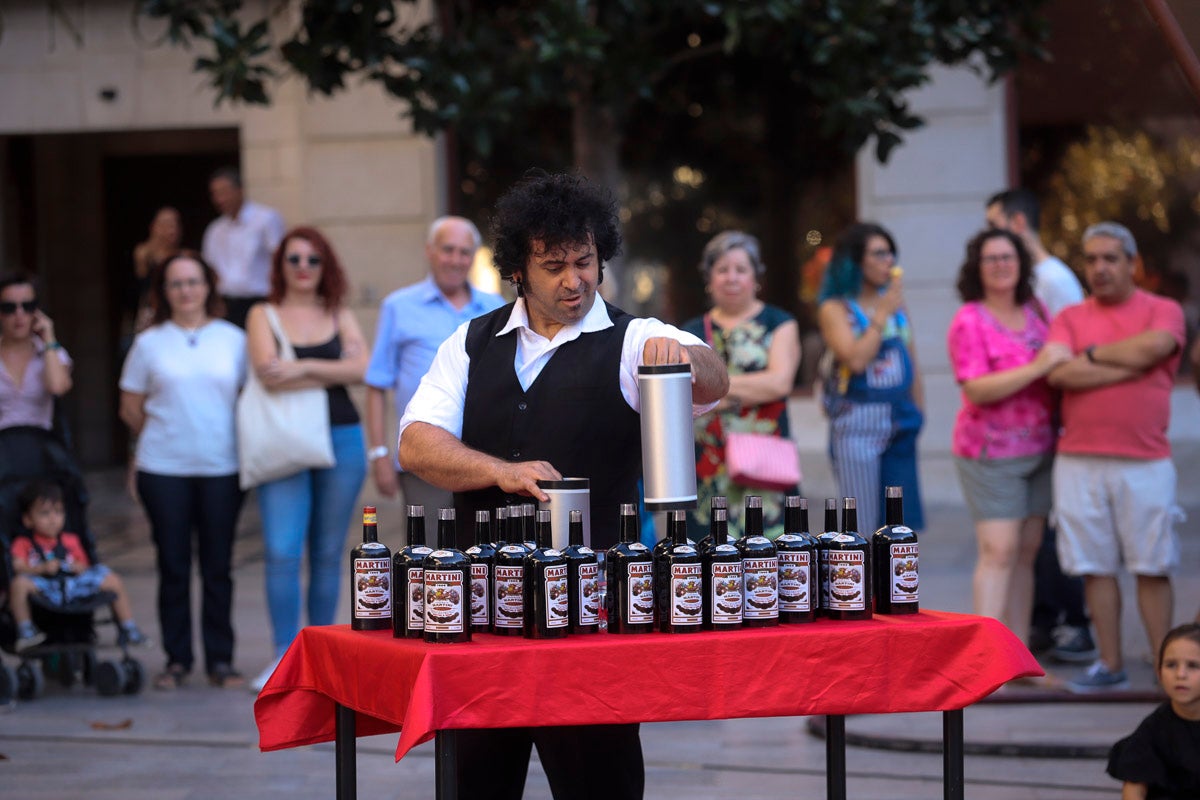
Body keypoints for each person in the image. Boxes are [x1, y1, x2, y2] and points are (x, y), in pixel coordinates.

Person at [398, 171, 729, 800]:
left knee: (597, 781)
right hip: (484, 613)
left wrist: (683, 357)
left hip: (592, 614)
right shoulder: (470, 341)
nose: (574, 280)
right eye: (554, 265)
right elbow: (415, 443)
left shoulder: (634, 338)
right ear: (518, 270)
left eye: (585, 261)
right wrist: (499, 470)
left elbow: (715, 382)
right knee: (477, 781)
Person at [1046, 222, 1186, 693]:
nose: (1099, 267)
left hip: (1145, 460)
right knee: (1094, 566)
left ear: (1132, 263)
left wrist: (1093, 356)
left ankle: (1169, 668)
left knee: (1153, 564)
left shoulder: (1162, 309)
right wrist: (1130, 365)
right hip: (1079, 461)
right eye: (1091, 259)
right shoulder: (1068, 316)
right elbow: (1061, 374)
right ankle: (1110, 664)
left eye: (1110, 258)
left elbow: (1158, 346)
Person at [244, 226, 369, 693]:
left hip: (343, 440)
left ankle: (320, 654)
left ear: (325, 267)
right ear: (280, 266)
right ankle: (282, 657)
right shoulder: (263, 313)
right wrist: (329, 370)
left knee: (325, 552)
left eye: (312, 260)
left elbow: (362, 368)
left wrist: (300, 366)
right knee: (281, 551)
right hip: (284, 441)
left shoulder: (339, 313)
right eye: (293, 259)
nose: (302, 267)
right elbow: (267, 374)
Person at [119, 251, 247, 690]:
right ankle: (177, 660)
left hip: (223, 467)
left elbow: (249, 401)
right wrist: (168, 431)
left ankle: (221, 661)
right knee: (173, 565)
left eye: (193, 281)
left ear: (208, 286)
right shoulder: (149, 342)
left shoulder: (234, 339)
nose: (186, 290)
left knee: (217, 567)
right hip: (164, 468)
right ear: (164, 292)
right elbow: (130, 407)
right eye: (176, 283)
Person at [947, 229, 1071, 660]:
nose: (1001, 265)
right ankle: (983, 662)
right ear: (976, 268)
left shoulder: (1036, 310)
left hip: (1041, 449)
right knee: (999, 552)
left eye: (1008, 256)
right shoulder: (970, 319)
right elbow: (977, 389)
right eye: (991, 258)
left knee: (1026, 553)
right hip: (990, 453)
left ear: (1021, 263)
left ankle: (1016, 660)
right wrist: (1038, 367)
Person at [986, 187, 1095, 663]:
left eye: (994, 224)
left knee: (1048, 533)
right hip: (1030, 424)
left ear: (1017, 224)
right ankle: (1043, 625)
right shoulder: (1038, 280)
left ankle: (1071, 623)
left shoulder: (1053, 280)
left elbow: (1066, 352)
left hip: (1053, 420)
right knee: (1036, 535)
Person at [364, 216, 504, 526]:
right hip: (425, 457)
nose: (456, 260)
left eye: (464, 252)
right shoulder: (398, 307)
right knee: (427, 555)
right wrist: (379, 455)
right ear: (429, 251)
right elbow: (377, 386)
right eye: (448, 250)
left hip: (487, 457)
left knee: (485, 554)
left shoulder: (496, 308)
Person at [681, 230, 801, 540]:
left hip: (764, 466)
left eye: (741, 269)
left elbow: (779, 382)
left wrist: (715, 388)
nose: (731, 278)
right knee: (709, 559)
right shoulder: (689, 332)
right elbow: (682, 393)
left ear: (756, 277)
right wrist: (748, 390)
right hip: (707, 466)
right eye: (722, 270)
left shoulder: (780, 323)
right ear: (709, 278)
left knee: (772, 557)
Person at [816, 222, 924, 534]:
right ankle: (858, 582)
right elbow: (856, 359)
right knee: (859, 525)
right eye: (878, 254)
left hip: (901, 420)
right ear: (855, 261)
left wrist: (919, 412)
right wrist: (881, 314)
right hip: (857, 424)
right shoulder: (835, 309)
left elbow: (913, 362)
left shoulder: (898, 306)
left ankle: (894, 583)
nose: (889, 261)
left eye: (891, 253)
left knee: (899, 527)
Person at [8, 480, 147, 651]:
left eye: (58, 512)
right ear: (28, 520)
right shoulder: (23, 543)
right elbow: (18, 567)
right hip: (45, 586)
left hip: (73, 585)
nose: (53, 519)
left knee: (111, 578)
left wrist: (77, 567)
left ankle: (128, 626)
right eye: (44, 514)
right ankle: (26, 630)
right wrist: (40, 569)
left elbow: (84, 566)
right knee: (18, 584)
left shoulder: (70, 540)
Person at [1106, 622, 1200, 798]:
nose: (1180, 674)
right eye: (1171, 665)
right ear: (1159, 672)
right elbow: (1134, 786)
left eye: (1193, 666)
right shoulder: (1154, 729)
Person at [201, 166, 285, 328]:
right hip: (226, 305)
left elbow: (280, 260)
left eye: (224, 192)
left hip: (260, 301)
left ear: (239, 190)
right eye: (215, 194)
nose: (220, 199)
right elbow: (210, 269)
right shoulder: (215, 229)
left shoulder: (266, 219)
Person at [0, 273, 72, 432]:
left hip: (39, 449)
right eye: (9, 307)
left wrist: (49, 338)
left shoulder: (50, 350)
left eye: (28, 306)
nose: (19, 314)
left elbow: (58, 387)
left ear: (37, 311)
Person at [129, 206, 182, 336]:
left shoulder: (182, 256)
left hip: (177, 309)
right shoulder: (144, 253)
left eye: (173, 224)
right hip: (151, 310)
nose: (170, 230)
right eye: (164, 224)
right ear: (153, 227)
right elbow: (142, 284)